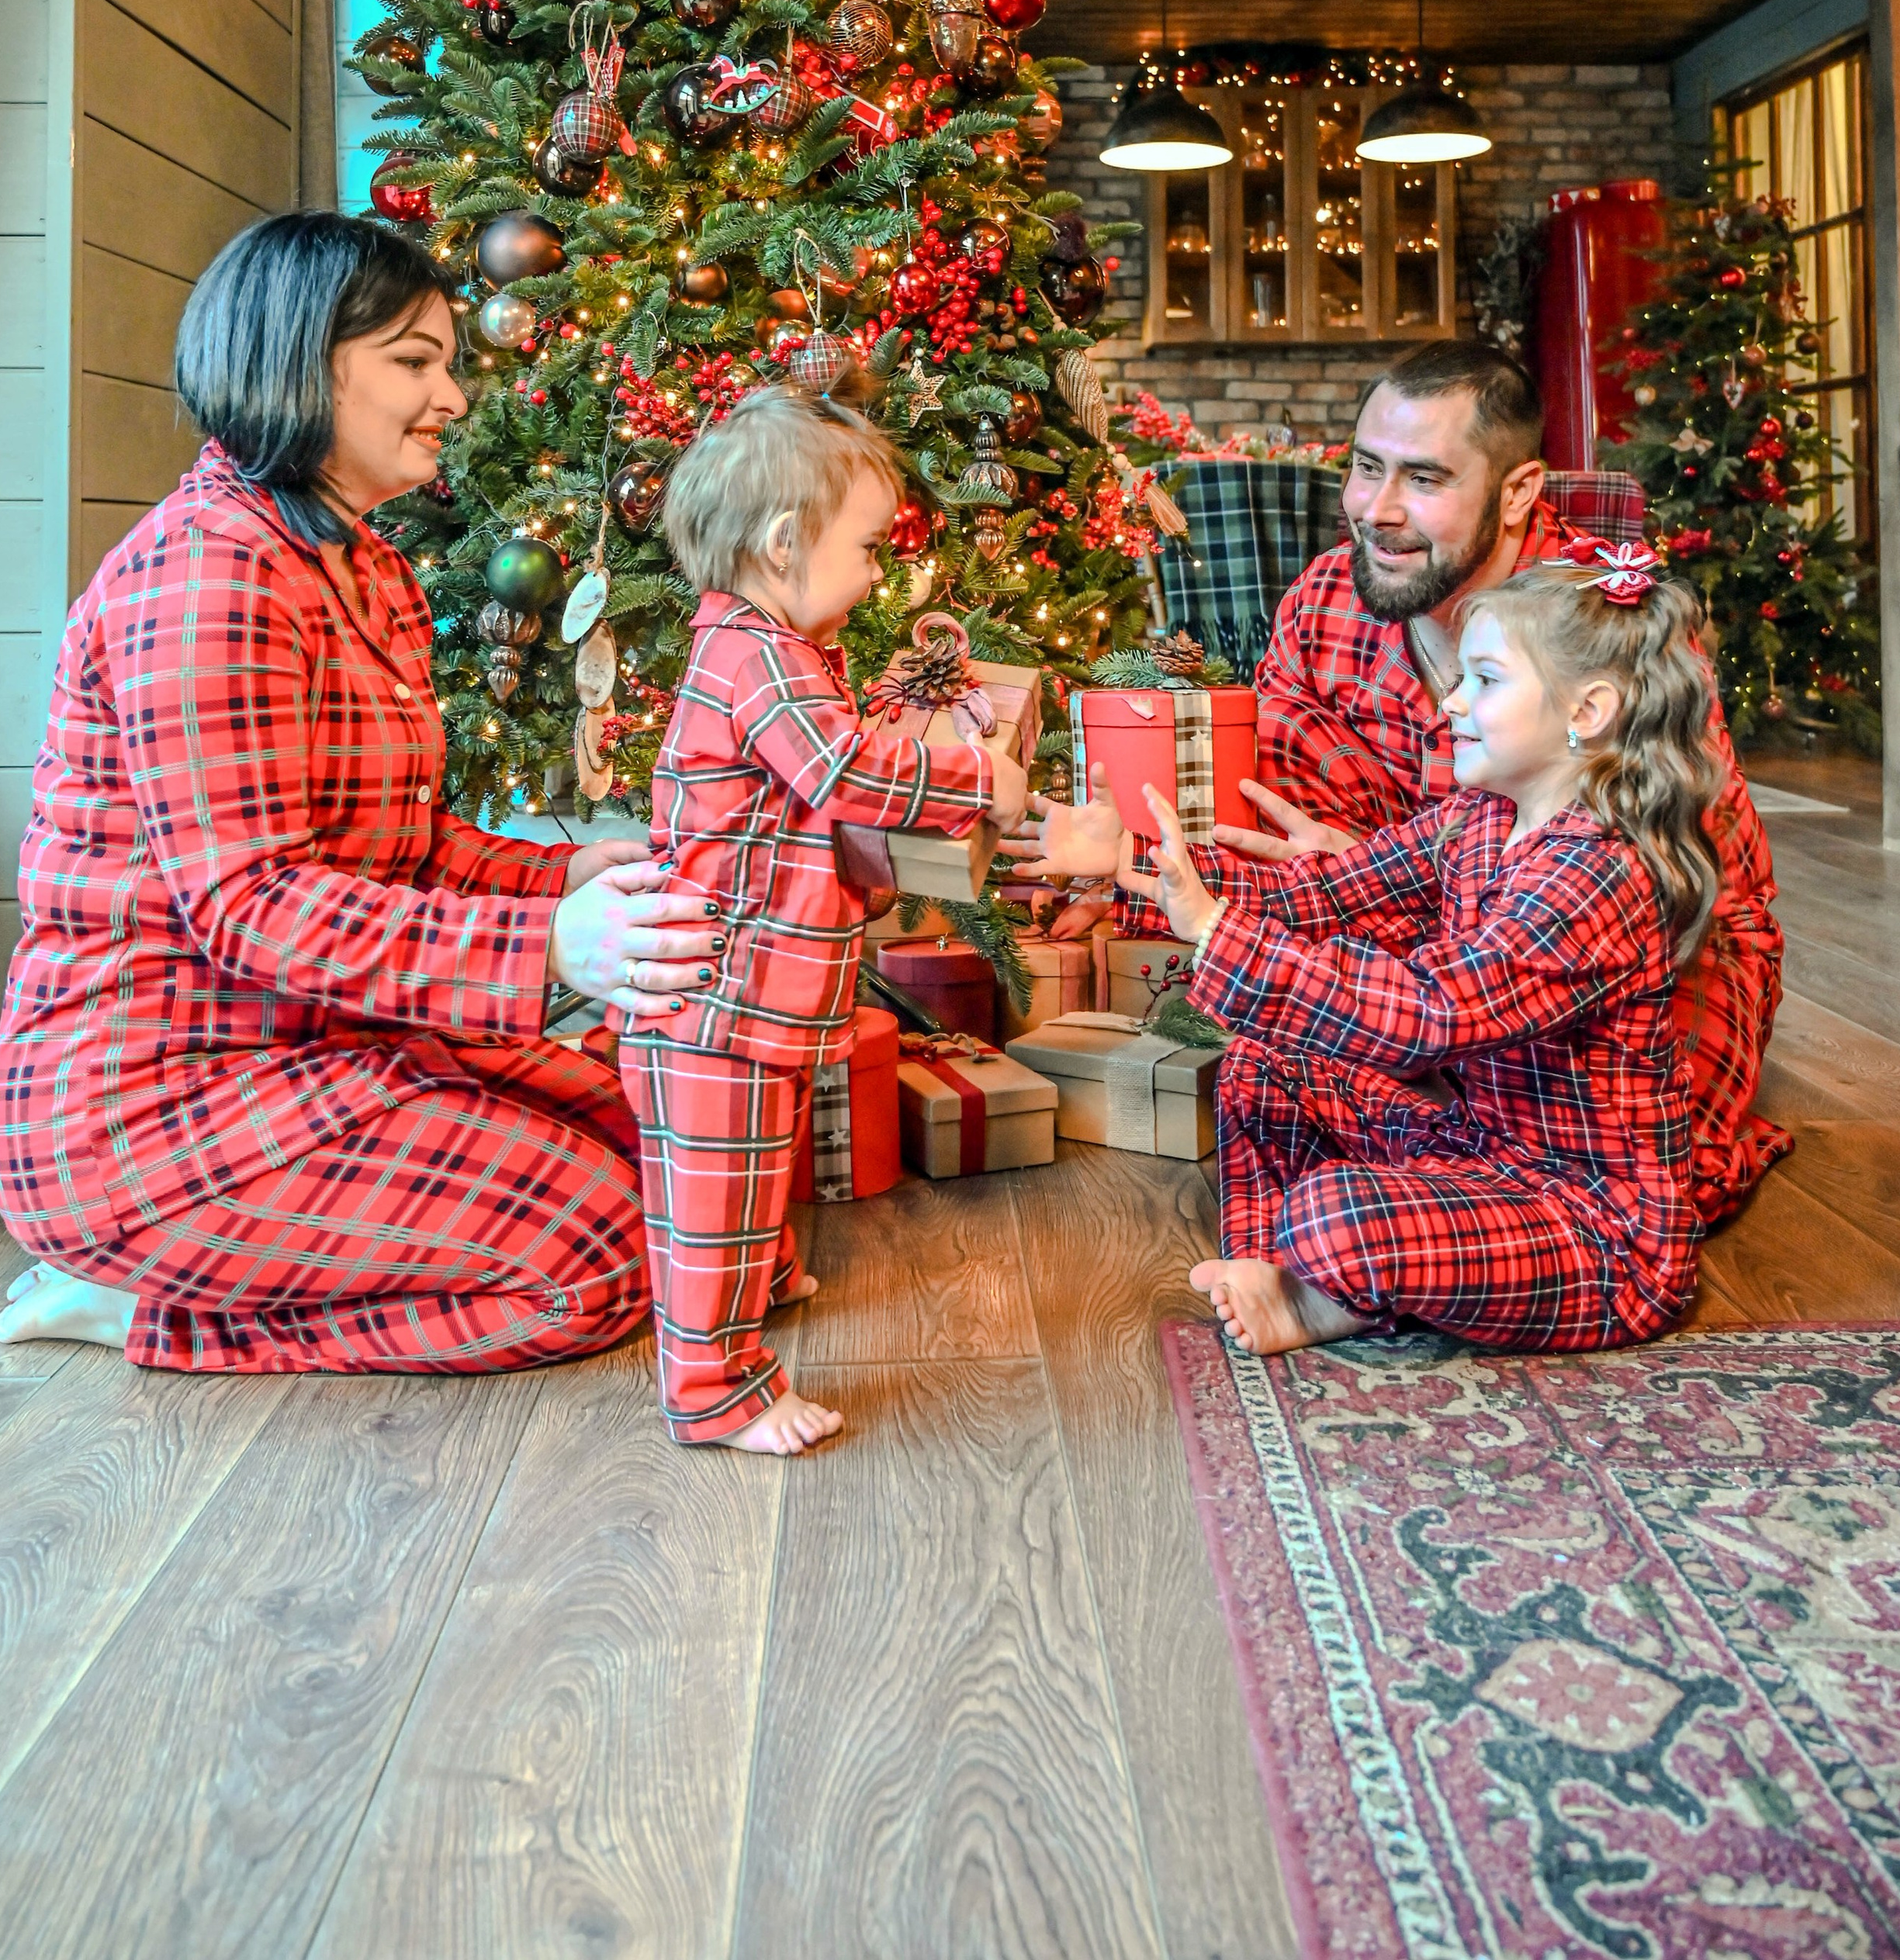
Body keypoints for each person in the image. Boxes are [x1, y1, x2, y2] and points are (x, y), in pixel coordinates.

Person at [0, 213, 718, 1373]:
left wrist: (570, 875)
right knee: (602, 1254)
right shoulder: (206, 576)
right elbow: (254, 904)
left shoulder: (359, 562)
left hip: (319, 1039)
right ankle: (145, 1311)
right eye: (415, 362)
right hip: (157, 1098)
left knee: (675, 1161)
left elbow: (396, 843)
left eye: (448, 363)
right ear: (303, 359)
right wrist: (547, 945)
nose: (454, 399)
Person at [1030, 545, 1715, 1357]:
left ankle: (1322, 1277)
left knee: (1336, 1212)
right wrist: (1130, 862)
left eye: (1485, 682)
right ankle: (1273, 1269)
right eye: (1459, 677)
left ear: (1588, 710)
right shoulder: (1480, 818)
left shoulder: (1596, 870)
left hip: (1594, 1231)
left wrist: (1216, 930)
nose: (1450, 703)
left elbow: (1428, 1014)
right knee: (1261, 1063)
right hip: (1481, 1151)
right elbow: (1325, 892)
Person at [1237, 337, 1786, 1223]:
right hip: (1412, 941)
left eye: (1423, 479)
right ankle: (1446, 1139)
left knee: (1652, 1172)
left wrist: (1373, 882)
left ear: (1520, 490)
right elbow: (1296, 851)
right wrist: (1367, 885)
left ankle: (1457, 1152)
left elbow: (1683, 888)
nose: (1375, 510)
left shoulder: (1609, 630)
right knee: (1270, 1065)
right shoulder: (1323, 605)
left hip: (1628, 942)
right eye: (1364, 467)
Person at [632, 390, 1027, 1456]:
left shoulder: (782, 651)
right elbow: (842, 769)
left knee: (752, 1164)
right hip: (716, 993)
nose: (877, 573)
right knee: (712, 1190)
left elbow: (806, 805)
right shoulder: (752, 654)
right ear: (782, 544)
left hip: (760, 986)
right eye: (865, 546)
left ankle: (754, 1283)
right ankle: (714, 1389)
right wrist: (974, 772)